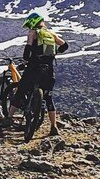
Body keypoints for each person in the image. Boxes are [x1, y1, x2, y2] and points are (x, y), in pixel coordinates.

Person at [20, 11, 68, 139]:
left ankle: (16, 114)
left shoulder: (33, 32)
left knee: (25, 87)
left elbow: (28, 46)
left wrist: (25, 59)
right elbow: (65, 45)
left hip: (35, 67)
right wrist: (55, 53)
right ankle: (54, 126)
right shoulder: (51, 33)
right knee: (48, 98)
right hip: (49, 68)